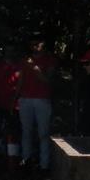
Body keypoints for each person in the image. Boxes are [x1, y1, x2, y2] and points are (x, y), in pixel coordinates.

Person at [17, 37, 57, 171]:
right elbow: (20, 81)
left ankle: (44, 165)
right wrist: (15, 98)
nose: (34, 46)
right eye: (32, 43)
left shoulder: (49, 60)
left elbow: (47, 80)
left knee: (43, 133)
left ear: (43, 44)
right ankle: (26, 160)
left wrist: (34, 67)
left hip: (42, 100)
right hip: (25, 99)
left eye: (37, 43)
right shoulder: (24, 60)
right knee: (26, 131)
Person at [0, 47, 21, 164]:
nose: (10, 52)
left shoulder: (20, 67)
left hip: (17, 107)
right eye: (8, 50)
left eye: (12, 50)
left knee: (15, 134)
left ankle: (14, 161)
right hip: (1, 106)